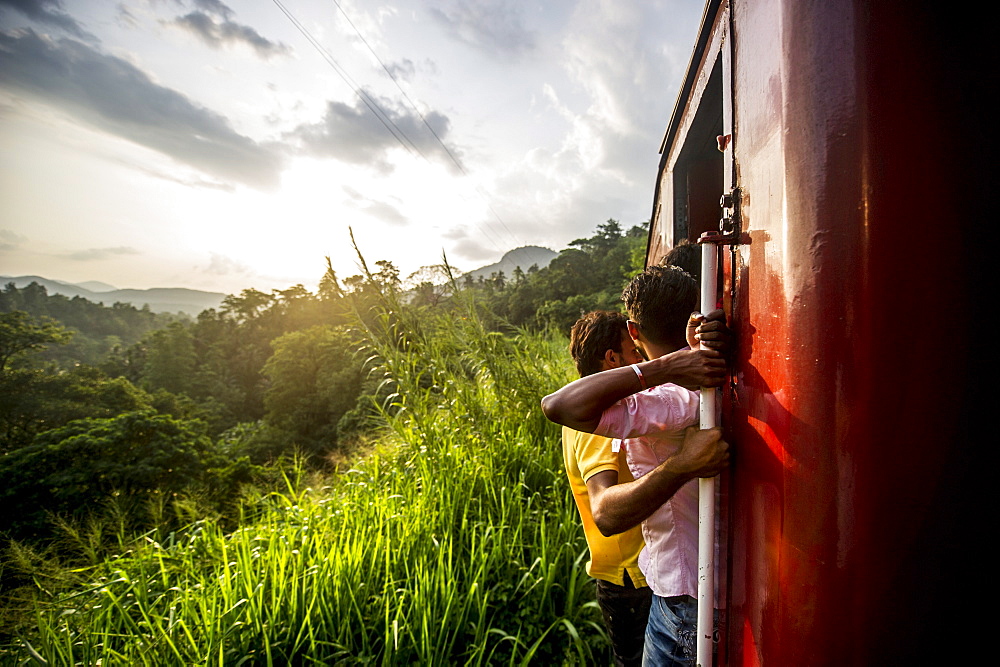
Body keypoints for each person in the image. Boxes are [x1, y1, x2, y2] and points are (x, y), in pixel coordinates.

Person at [542, 265, 729, 666]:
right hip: (688, 579)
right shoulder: (710, 377)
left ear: (634, 331)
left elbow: (557, 405)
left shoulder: (665, 400)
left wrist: (662, 368)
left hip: (681, 589)